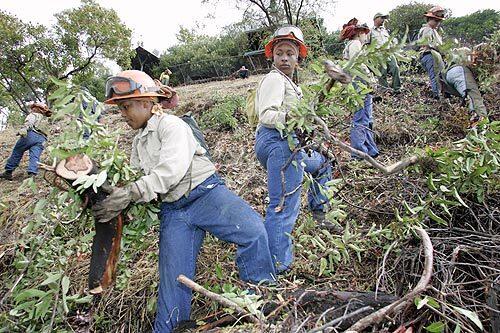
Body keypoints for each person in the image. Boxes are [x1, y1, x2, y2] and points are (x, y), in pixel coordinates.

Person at [93, 70, 276, 332]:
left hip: (206, 194)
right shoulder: (138, 143)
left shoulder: (172, 126)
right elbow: (140, 181)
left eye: (126, 107)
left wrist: (130, 193)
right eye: (121, 108)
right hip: (174, 211)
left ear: (146, 102)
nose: (123, 114)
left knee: (253, 232)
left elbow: (169, 172)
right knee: (173, 281)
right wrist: (115, 195)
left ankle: (263, 303)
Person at [254, 26, 333, 273]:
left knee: (322, 163)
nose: (285, 58)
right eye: (280, 53)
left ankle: (320, 214)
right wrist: (295, 117)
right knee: (283, 204)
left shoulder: (291, 83)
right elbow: (267, 115)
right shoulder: (274, 79)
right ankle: (277, 265)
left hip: (291, 144)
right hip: (276, 143)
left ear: (298, 57)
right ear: (272, 56)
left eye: (290, 53)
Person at [340, 18, 379, 159]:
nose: (366, 36)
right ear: (359, 33)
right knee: (361, 118)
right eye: (364, 33)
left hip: (356, 84)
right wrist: (370, 79)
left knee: (366, 118)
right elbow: (359, 65)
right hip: (360, 84)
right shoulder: (355, 44)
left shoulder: (350, 45)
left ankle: (370, 150)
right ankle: (358, 153)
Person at [0, 102, 52, 181]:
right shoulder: (46, 120)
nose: (32, 109)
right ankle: (32, 174)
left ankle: (8, 172)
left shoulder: (34, 115)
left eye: (34, 107)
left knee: (17, 151)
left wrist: (23, 130)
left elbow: (29, 123)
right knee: (35, 156)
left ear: (38, 109)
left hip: (31, 135)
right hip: (42, 139)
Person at [439, 46, 488, 124]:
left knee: (466, 95)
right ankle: (481, 121)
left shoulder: (454, 57)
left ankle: (472, 119)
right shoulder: (466, 52)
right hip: (459, 71)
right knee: (473, 94)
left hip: (448, 77)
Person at [418, 6, 446, 99]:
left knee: (440, 75)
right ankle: (437, 96)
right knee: (435, 76)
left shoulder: (434, 31)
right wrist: (441, 48)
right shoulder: (427, 29)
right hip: (429, 55)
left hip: (435, 55)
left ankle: (441, 93)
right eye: (436, 21)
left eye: (439, 21)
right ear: (430, 19)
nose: (438, 23)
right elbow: (428, 43)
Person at [369, 13, 401, 93]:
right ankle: (384, 90)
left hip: (389, 53)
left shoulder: (385, 30)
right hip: (378, 55)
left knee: (395, 68)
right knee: (382, 73)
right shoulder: (370, 32)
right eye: (381, 18)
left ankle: (397, 88)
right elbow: (367, 44)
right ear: (375, 19)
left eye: (384, 18)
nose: (383, 20)